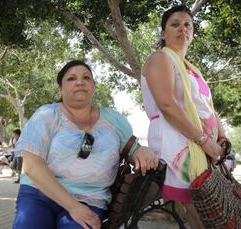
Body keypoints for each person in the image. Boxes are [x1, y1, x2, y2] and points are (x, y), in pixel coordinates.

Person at [12, 60, 159, 229]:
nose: (79, 82)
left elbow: (134, 150)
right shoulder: (46, 115)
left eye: (86, 77)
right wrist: (73, 207)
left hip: (90, 199)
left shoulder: (113, 119)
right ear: (60, 88)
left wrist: (143, 151)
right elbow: (32, 166)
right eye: (71, 78)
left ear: (93, 86)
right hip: (40, 194)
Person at [141, 5, 229, 229]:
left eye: (187, 24)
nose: (183, 28)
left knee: (211, 210)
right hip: (180, 144)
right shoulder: (160, 58)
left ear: (193, 32)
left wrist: (223, 138)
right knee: (201, 211)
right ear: (163, 33)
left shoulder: (192, 69)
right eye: (175, 24)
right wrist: (205, 142)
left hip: (204, 147)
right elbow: (168, 104)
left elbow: (208, 107)